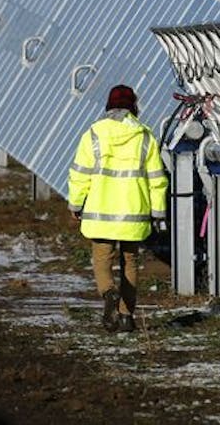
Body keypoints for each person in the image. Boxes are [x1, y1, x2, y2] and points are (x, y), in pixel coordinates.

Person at [66, 84, 168, 332]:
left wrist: (76, 203)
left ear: (109, 107)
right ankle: (125, 316)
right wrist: (158, 213)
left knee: (102, 259)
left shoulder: (94, 134)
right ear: (134, 107)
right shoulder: (145, 137)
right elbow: (157, 179)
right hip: (133, 215)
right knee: (130, 262)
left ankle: (108, 292)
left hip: (100, 214)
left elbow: (80, 174)